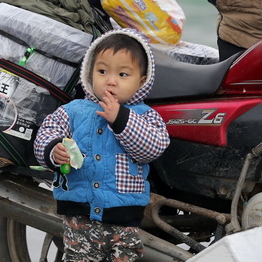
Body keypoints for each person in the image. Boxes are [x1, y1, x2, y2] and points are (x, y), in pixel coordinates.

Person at [34, 28, 169, 262]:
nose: (111, 81)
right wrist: (54, 150)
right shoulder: (74, 110)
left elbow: (153, 148)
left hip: (124, 218)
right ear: (89, 72)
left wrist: (120, 118)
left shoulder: (145, 116)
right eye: (102, 71)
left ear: (141, 82)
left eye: (123, 74)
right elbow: (47, 132)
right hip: (79, 213)